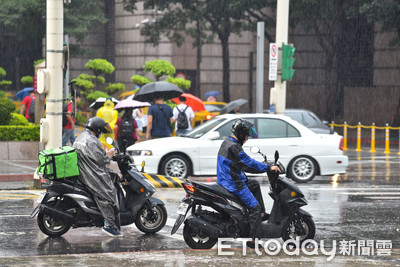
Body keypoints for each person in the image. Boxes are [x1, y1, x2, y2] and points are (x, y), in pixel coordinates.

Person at [217, 118, 280, 249]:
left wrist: (263, 167)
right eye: (246, 136)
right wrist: (268, 168)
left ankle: (261, 215)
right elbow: (248, 162)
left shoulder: (227, 142)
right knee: (255, 207)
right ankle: (254, 240)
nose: (247, 139)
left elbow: (242, 165)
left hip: (228, 178)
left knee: (254, 184)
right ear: (240, 134)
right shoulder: (234, 147)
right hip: (233, 182)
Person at [73, 117, 122, 237]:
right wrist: (109, 154)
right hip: (92, 173)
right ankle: (109, 225)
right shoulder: (92, 140)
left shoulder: (81, 137)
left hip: (85, 170)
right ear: (98, 129)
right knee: (109, 193)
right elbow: (101, 159)